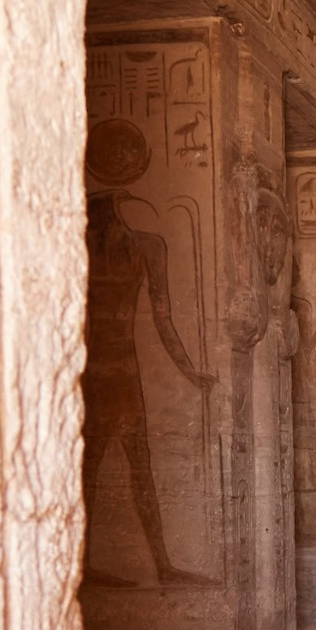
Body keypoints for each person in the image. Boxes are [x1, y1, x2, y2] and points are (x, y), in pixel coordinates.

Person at [82, 190, 215, 586]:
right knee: (93, 471)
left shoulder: (144, 246)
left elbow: (163, 319)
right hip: (97, 374)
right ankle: (95, 567)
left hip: (116, 372)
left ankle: (163, 565)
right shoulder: (87, 249)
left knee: (139, 469)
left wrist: (190, 372)